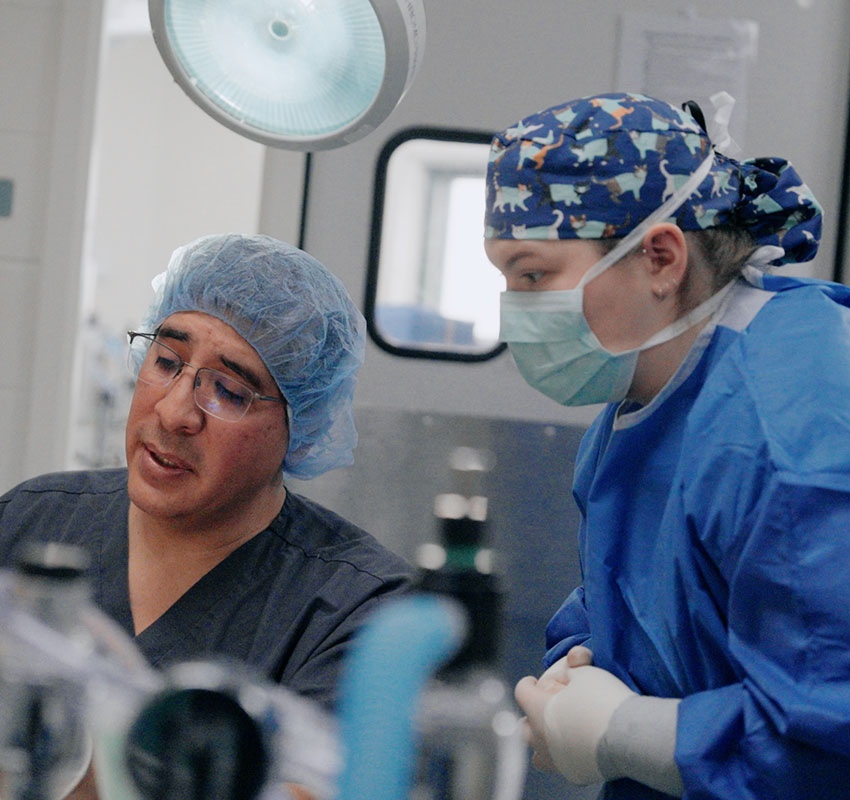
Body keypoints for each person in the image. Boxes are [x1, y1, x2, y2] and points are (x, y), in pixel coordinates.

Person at [483, 91, 850, 799]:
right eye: (505, 278)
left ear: (660, 256)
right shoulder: (640, 403)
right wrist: (575, 674)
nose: (515, 311)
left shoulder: (794, 428)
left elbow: (830, 732)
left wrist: (627, 734)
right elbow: (623, 598)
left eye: (533, 276)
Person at [0, 233, 413, 796]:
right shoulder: (32, 521)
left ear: (299, 425)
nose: (173, 413)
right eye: (166, 361)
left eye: (230, 391)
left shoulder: (352, 612)